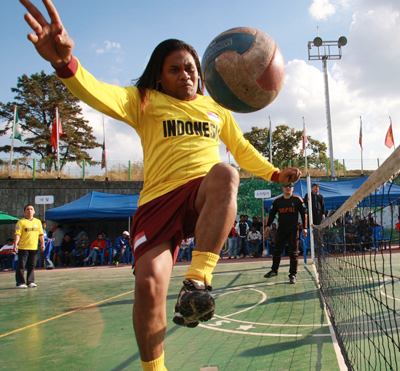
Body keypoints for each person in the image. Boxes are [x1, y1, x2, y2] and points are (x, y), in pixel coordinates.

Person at [19, 1, 301, 368]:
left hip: (202, 194)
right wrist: (64, 63)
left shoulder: (216, 111)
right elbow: (96, 92)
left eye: (191, 68)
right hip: (157, 202)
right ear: (159, 76)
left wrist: (276, 175)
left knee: (226, 173)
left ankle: (197, 282)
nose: (186, 75)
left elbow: (242, 152)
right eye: (175, 69)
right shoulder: (144, 101)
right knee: (149, 286)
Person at [264, 183, 307, 284]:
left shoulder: (298, 200)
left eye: (290, 186)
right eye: (286, 186)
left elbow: (304, 214)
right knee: (277, 251)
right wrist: (267, 225)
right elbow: (272, 214)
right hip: (282, 230)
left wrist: (305, 228)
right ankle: (274, 270)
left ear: (293, 188)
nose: (288, 188)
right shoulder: (277, 201)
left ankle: (292, 275)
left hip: (293, 230)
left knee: (293, 253)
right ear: (282, 188)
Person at [14, 204, 45, 288]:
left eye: (31, 209)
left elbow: (41, 234)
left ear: (34, 211)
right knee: (21, 265)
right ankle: (20, 283)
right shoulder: (21, 222)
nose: (29, 211)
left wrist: (43, 243)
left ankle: (30, 281)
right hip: (23, 247)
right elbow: (17, 234)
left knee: (32, 265)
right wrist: (16, 244)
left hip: (34, 247)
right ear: (24, 212)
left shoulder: (38, 222)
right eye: (27, 209)